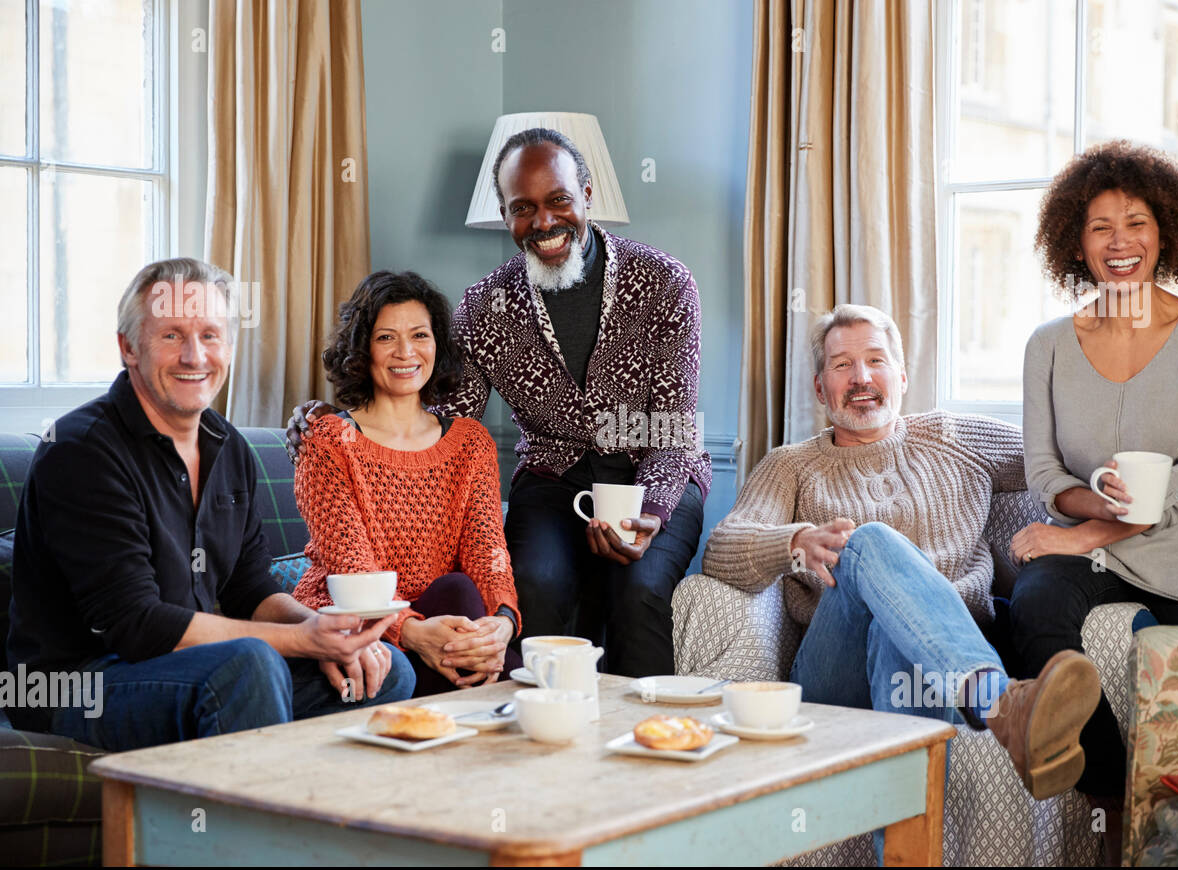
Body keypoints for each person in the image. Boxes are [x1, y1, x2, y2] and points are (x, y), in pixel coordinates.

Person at [702, 304, 1178, 803]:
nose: (861, 377)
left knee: (898, 642)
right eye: (842, 365)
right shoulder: (790, 466)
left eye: (876, 360)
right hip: (836, 674)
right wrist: (793, 540)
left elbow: (1071, 455)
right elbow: (722, 551)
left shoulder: (955, 438)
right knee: (871, 541)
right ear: (819, 387)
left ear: (902, 375)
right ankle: (1001, 704)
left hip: (939, 664)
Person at [288, 128, 709, 677]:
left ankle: (647, 736)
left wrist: (648, 510)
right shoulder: (487, 305)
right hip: (551, 480)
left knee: (641, 590)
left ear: (586, 194)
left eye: (558, 200)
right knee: (535, 583)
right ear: (506, 214)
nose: (543, 222)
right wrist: (336, 419)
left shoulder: (664, 283)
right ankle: (538, 730)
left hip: (653, 474)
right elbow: (441, 413)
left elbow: (673, 428)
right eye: (522, 208)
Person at [4, 258, 415, 751]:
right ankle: (259, 823)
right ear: (128, 348)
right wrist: (305, 643)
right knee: (248, 665)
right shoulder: (81, 450)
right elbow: (135, 626)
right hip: (80, 686)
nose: (194, 356)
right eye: (171, 336)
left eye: (211, 335)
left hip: (186, 670)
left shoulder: (228, 446)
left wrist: (327, 632)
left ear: (230, 346)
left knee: (385, 669)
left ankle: (316, 811)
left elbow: (251, 589)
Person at [1007, 140, 1178, 852]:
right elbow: (1043, 470)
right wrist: (1090, 509)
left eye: (1136, 222)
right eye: (1100, 226)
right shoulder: (1048, 344)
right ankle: (1112, 784)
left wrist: (1081, 538)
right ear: (1076, 241)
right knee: (1035, 601)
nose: (1119, 241)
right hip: (1098, 545)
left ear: (1167, 232)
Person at [293, 270, 522, 697]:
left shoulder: (470, 443)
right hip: (357, 623)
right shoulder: (329, 441)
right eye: (385, 338)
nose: (405, 352)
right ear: (362, 349)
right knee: (503, 681)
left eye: (419, 335)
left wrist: (502, 623)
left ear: (437, 345)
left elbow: (488, 550)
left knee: (464, 600)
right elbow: (353, 572)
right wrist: (413, 631)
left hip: (447, 617)